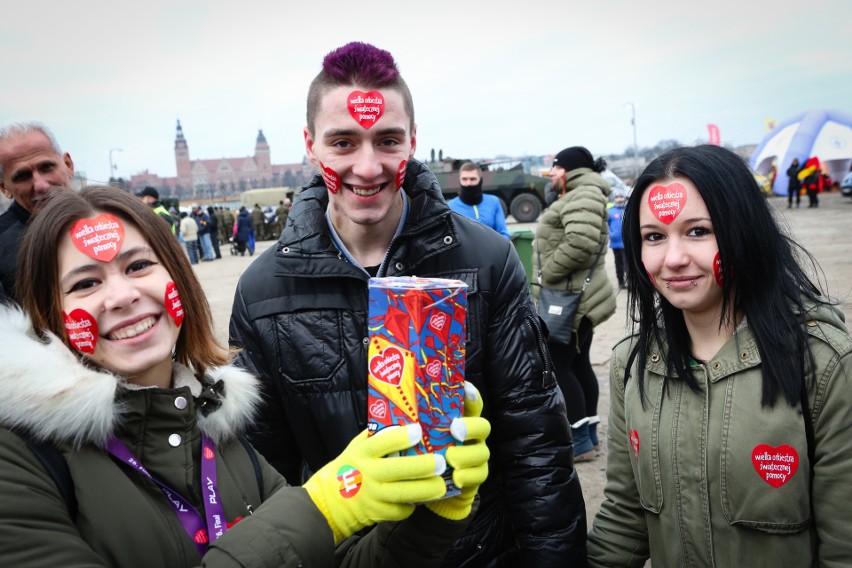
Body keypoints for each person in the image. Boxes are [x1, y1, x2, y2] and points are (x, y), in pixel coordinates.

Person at [230, 41, 586, 565]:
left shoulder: (487, 260)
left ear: (414, 141)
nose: (368, 167)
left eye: (388, 140)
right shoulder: (264, 290)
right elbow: (261, 477)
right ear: (311, 145)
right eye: (343, 143)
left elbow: (535, 442)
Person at [0, 185, 489, 566]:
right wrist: (319, 511)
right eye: (85, 283)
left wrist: (434, 512)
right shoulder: (19, 458)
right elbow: (305, 530)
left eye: (139, 265)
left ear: (176, 278)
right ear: (50, 314)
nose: (122, 295)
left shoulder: (221, 433)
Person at [588, 145, 852, 566]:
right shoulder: (631, 365)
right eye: (654, 236)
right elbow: (624, 518)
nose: (674, 259)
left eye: (698, 231)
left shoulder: (826, 364)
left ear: (743, 231)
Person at [533, 146, 617, 461]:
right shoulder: (584, 193)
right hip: (577, 296)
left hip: (570, 299)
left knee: (560, 365)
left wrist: (548, 273)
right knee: (578, 364)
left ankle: (579, 441)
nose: (551, 174)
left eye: (555, 168)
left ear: (567, 170)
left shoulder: (582, 194)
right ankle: (589, 437)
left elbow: (580, 242)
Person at [0, 121, 74, 301]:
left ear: (68, 165)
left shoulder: (115, 219)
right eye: (22, 176)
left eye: (46, 167)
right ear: (5, 188)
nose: (40, 185)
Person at [446, 162, 510, 239]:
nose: (468, 183)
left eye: (473, 179)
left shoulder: (494, 202)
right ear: (459, 181)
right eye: (464, 179)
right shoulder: (450, 207)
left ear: (480, 180)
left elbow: (504, 234)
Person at [608, 189, 627, 289]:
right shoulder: (610, 211)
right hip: (616, 243)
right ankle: (621, 282)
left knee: (628, 264)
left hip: (627, 243)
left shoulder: (629, 209)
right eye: (617, 197)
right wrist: (610, 235)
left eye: (621, 196)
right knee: (618, 263)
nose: (619, 199)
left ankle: (631, 282)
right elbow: (605, 225)